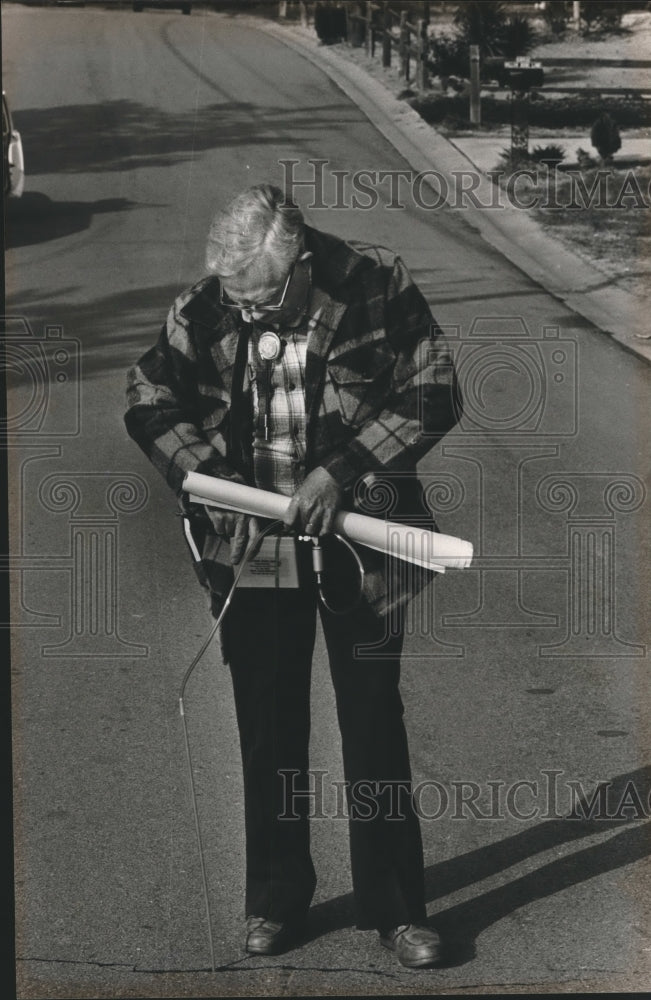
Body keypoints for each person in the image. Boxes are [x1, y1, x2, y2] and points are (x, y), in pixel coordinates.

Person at [124, 183, 462, 968]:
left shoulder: (377, 282)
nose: (246, 316)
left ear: (301, 266)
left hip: (362, 543)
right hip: (254, 553)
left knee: (373, 722)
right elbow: (145, 396)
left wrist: (338, 472)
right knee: (268, 725)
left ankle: (398, 909)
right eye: (235, 301)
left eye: (262, 301)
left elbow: (434, 390)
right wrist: (208, 480)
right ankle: (274, 900)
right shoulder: (208, 305)